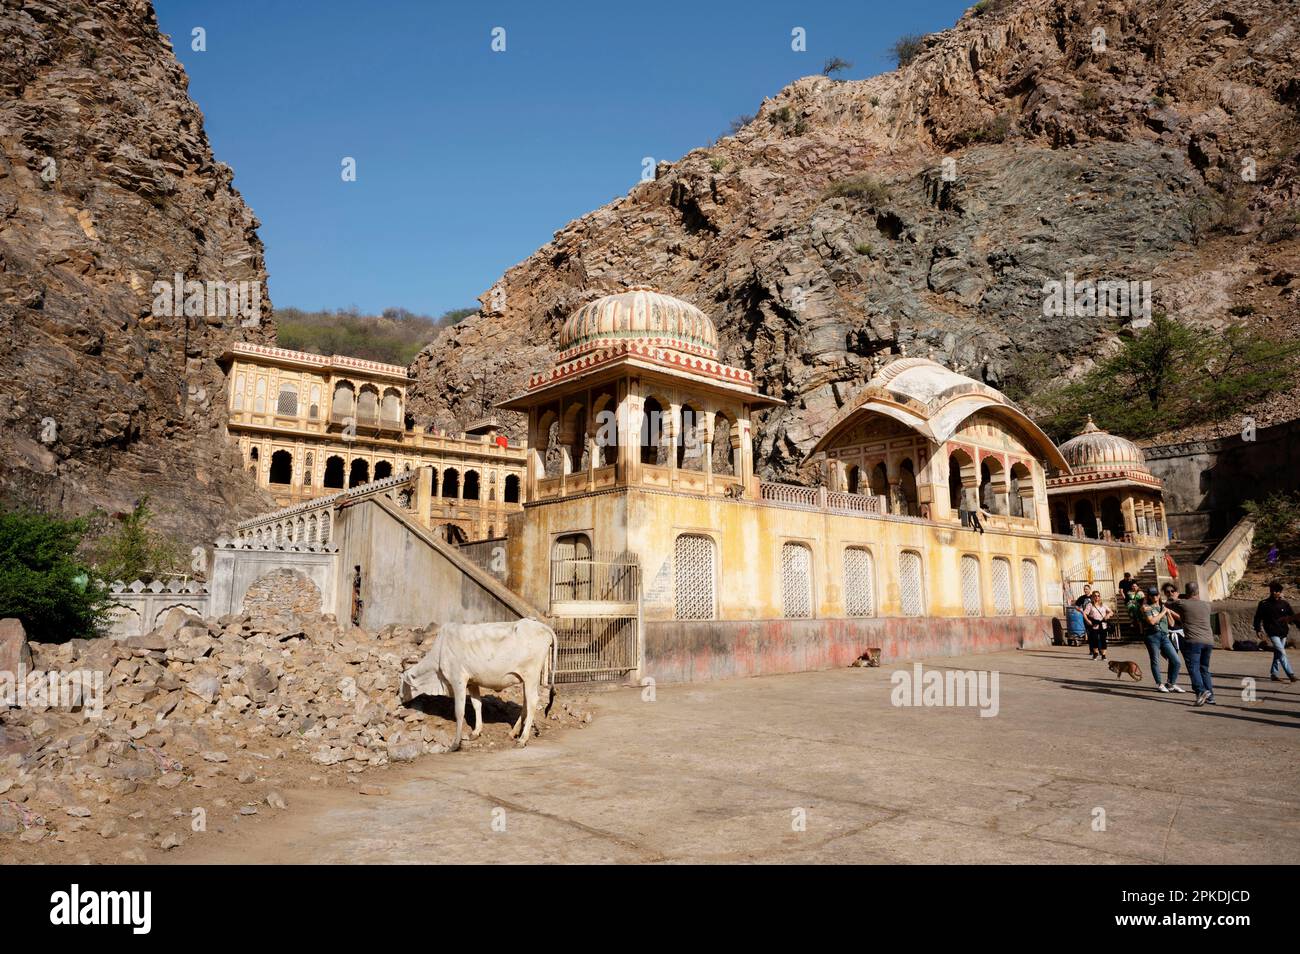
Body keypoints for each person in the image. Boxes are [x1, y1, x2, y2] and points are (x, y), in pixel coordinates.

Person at [1168, 582, 1215, 706]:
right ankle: (1210, 696)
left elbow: (1169, 603)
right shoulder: (1206, 605)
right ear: (1198, 591)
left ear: (1186, 592)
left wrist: (1175, 596)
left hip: (1193, 641)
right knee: (1204, 668)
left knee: (1193, 668)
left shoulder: (1183, 603)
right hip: (1209, 641)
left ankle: (1201, 691)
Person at [1140, 586, 1185, 693]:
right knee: (1155, 660)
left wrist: (1168, 612)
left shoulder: (1163, 607)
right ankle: (1159, 683)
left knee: (1176, 661)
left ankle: (1171, 683)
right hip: (1152, 636)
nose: (1154, 597)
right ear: (1149, 596)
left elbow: (1172, 624)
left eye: (1156, 594)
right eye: (1152, 595)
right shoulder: (1147, 607)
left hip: (1164, 636)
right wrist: (1163, 613)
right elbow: (1152, 622)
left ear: (1159, 595)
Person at [1253, 581, 1298, 683]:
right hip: (1272, 632)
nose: (1274, 593)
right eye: (1273, 591)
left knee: (1278, 653)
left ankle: (1274, 674)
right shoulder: (1264, 604)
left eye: (1277, 591)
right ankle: (1290, 674)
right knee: (1282, 652)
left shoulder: (1285, 604)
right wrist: (1258, 629)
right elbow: (1258, 618)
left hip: (1283, 632)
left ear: (1280, 592)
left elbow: (1293, 617)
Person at [1083, 590, 1113, 660]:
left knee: (1103, 640)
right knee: (1095, 639)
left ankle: (1103, 655)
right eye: (1095, 596)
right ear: (1092, 597)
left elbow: (1111, 612)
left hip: (1103, 624)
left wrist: (1108, 615)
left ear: (1100, 597)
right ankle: (1095, 653)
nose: (1097, 597)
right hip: (1094, 624)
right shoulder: (1090, 605)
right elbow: (1084, 613)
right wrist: (1088, 621)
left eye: (1098, 596)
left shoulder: (1103, 604)